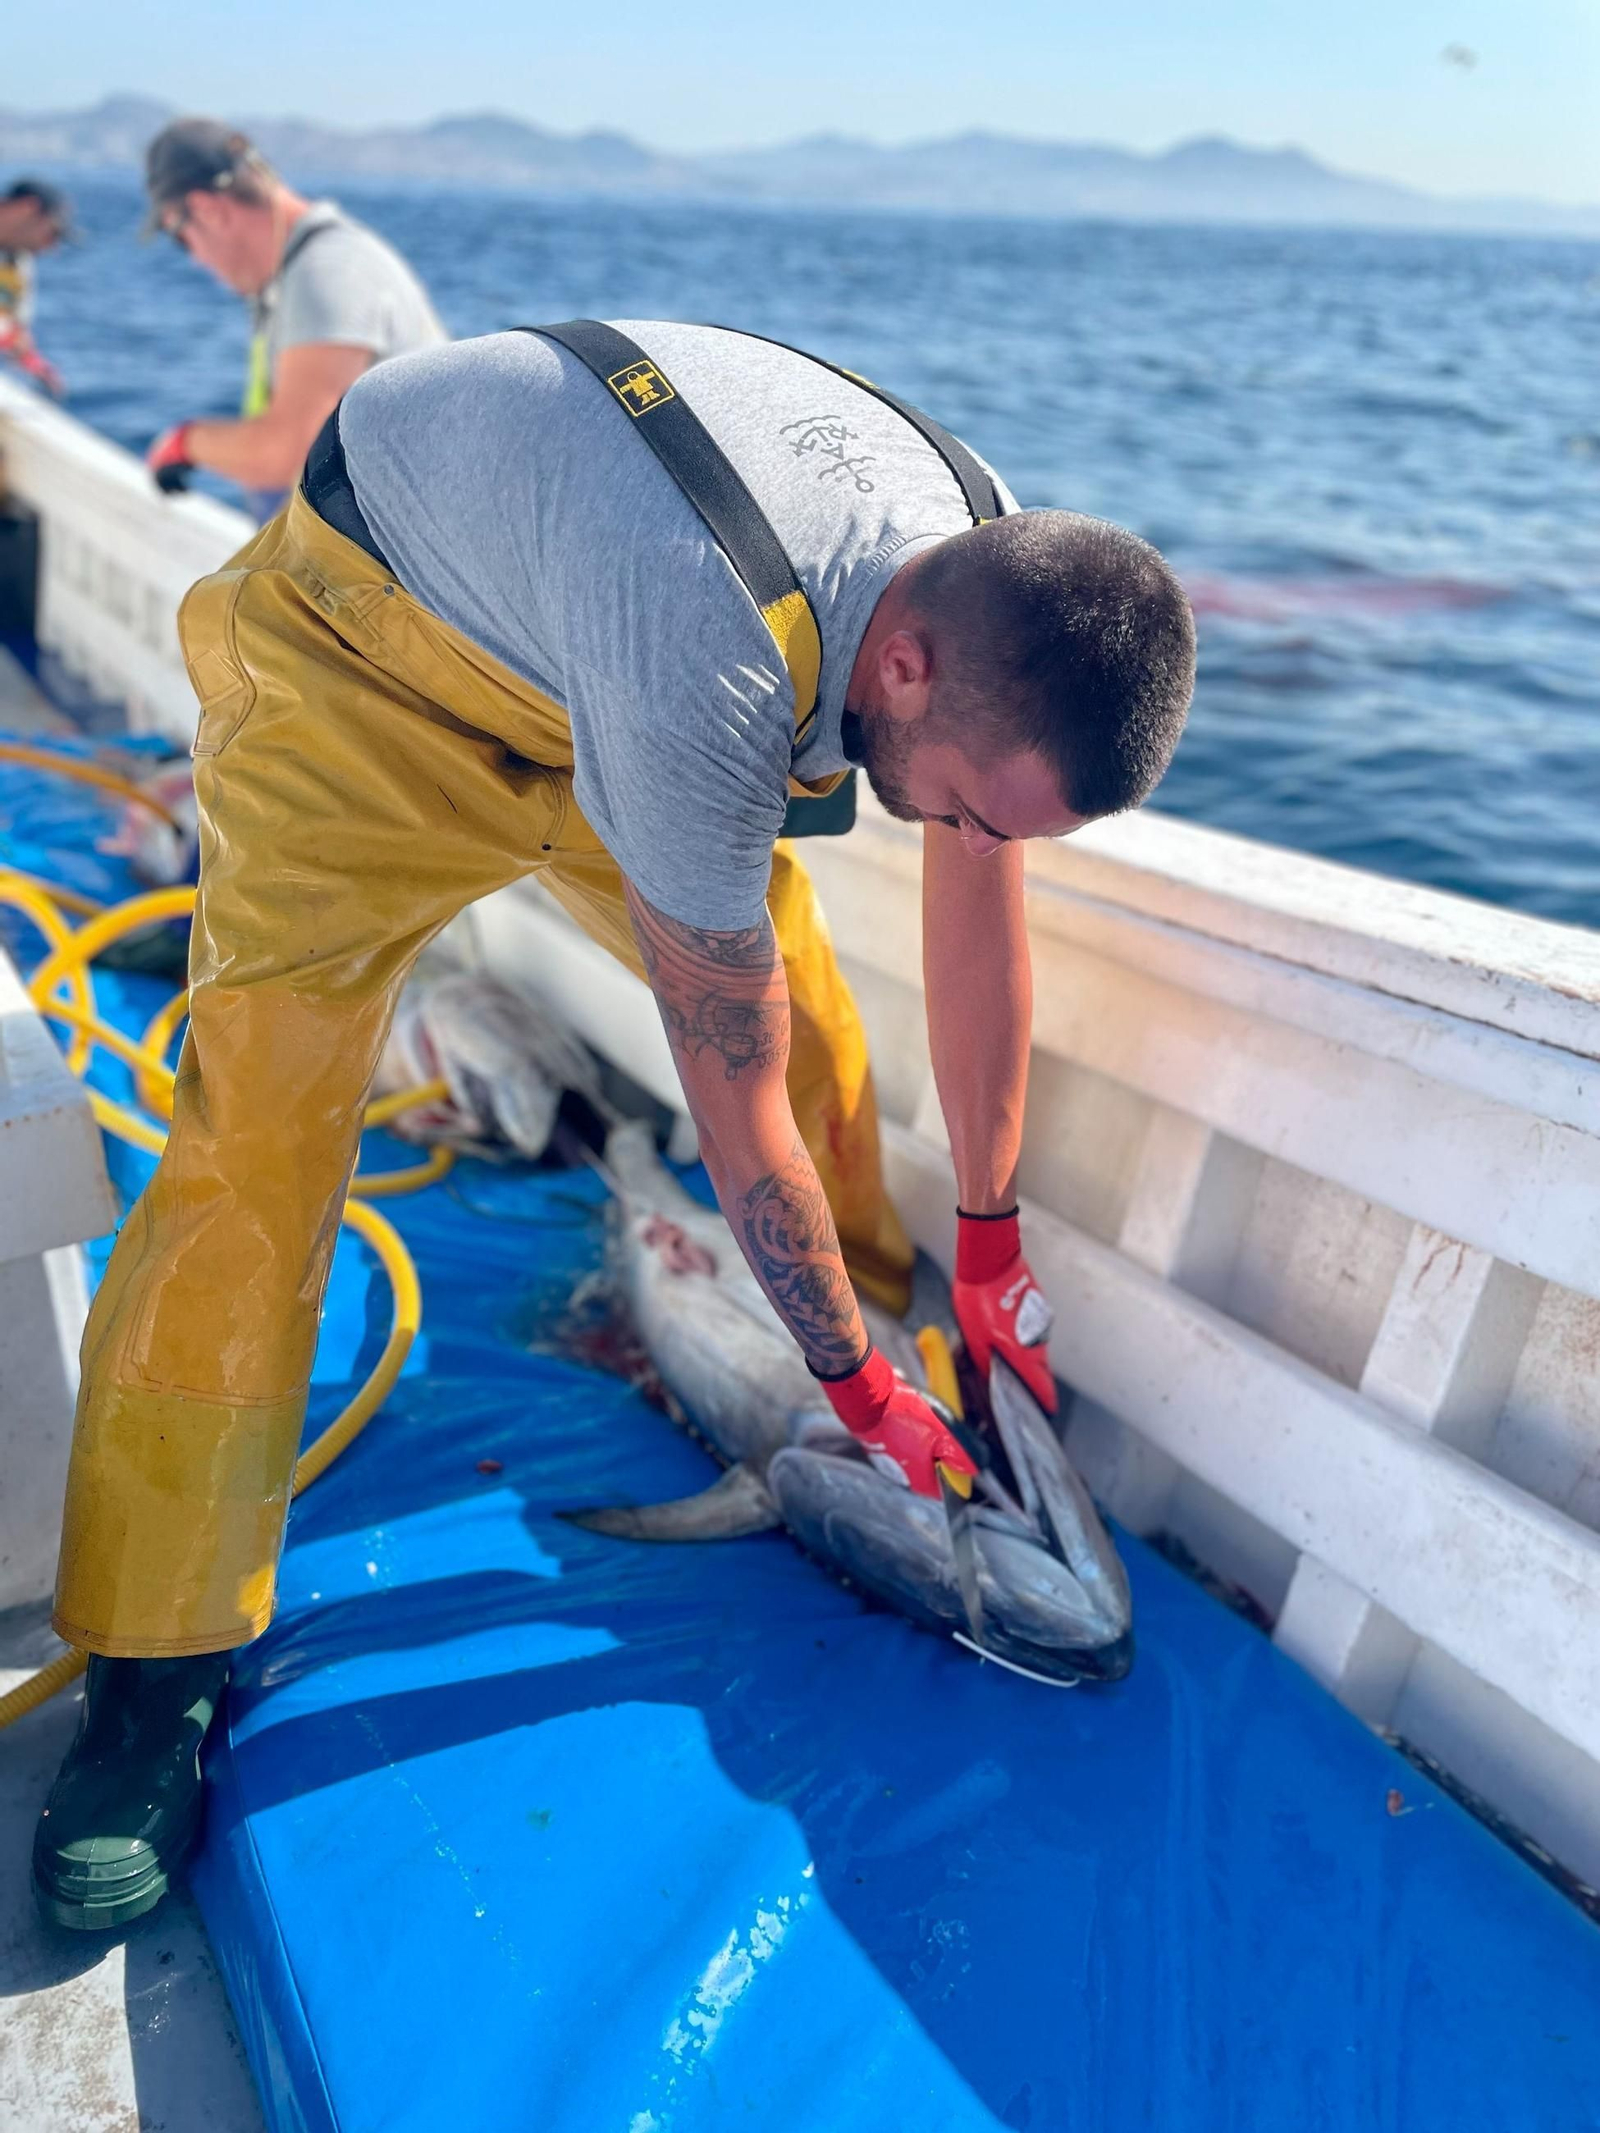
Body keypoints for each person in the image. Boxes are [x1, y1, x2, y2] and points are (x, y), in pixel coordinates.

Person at [31, 320, 1195, 1930]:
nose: (961, 833)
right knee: (263, 1150)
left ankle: (815, 1384)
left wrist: (987, 1245)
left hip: (588, 661)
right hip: (360, 667)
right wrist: (855, 1372)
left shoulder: (985, 566)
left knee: (818, 1036)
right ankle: (154, 1672)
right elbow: (723, 1082)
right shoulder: (707, 657)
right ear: (906, 668)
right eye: (969, 800)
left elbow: (978, 908)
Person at [140, 117, 445, 516]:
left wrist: (183, 443)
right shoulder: (294, 274)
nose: (195, 259)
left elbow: (290, 453)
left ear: (207, 210)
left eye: (180, 238)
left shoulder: (328, 270)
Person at [0, 178, 74, 397]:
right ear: (27, 209)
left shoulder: (19, 264)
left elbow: (16, 332)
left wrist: (36, 365)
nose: (52, 247)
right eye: (53, 233)